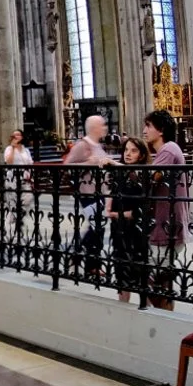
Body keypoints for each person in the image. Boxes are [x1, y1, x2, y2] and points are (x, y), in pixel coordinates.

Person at [141, 109, 188, 310]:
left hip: (167, 224)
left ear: (160, 130)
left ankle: (165, 317)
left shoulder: (168, 149)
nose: (144, 130)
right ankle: (165, 316)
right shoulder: (168, 150)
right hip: (165, 223)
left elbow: (149, 177)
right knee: (161, 278)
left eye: (148, 126)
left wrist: (117, 167)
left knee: (153, 280)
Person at [64, 114, 114, 274]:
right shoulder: (82, 145)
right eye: (102, 125)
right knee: (96, 226)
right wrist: (88, 163)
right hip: (87, 193)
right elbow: (67, 167)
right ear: (94, 128)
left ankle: (90, 262)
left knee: (97, 227)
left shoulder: (97, 145)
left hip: (99, 192)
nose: (105, 128)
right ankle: (81, 256)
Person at [108, 136, 152, 303]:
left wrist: (114, 214)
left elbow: (137, 212)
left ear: (141, 155)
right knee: (121, 273)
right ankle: (123, 306)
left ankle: (147, 308)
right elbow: (112, 196)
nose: (128, 154)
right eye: (126, 150)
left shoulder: (140, 175)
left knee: (139, 275)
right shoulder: (122, 175)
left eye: (133, 151)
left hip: (135, 232)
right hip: (119, 230)